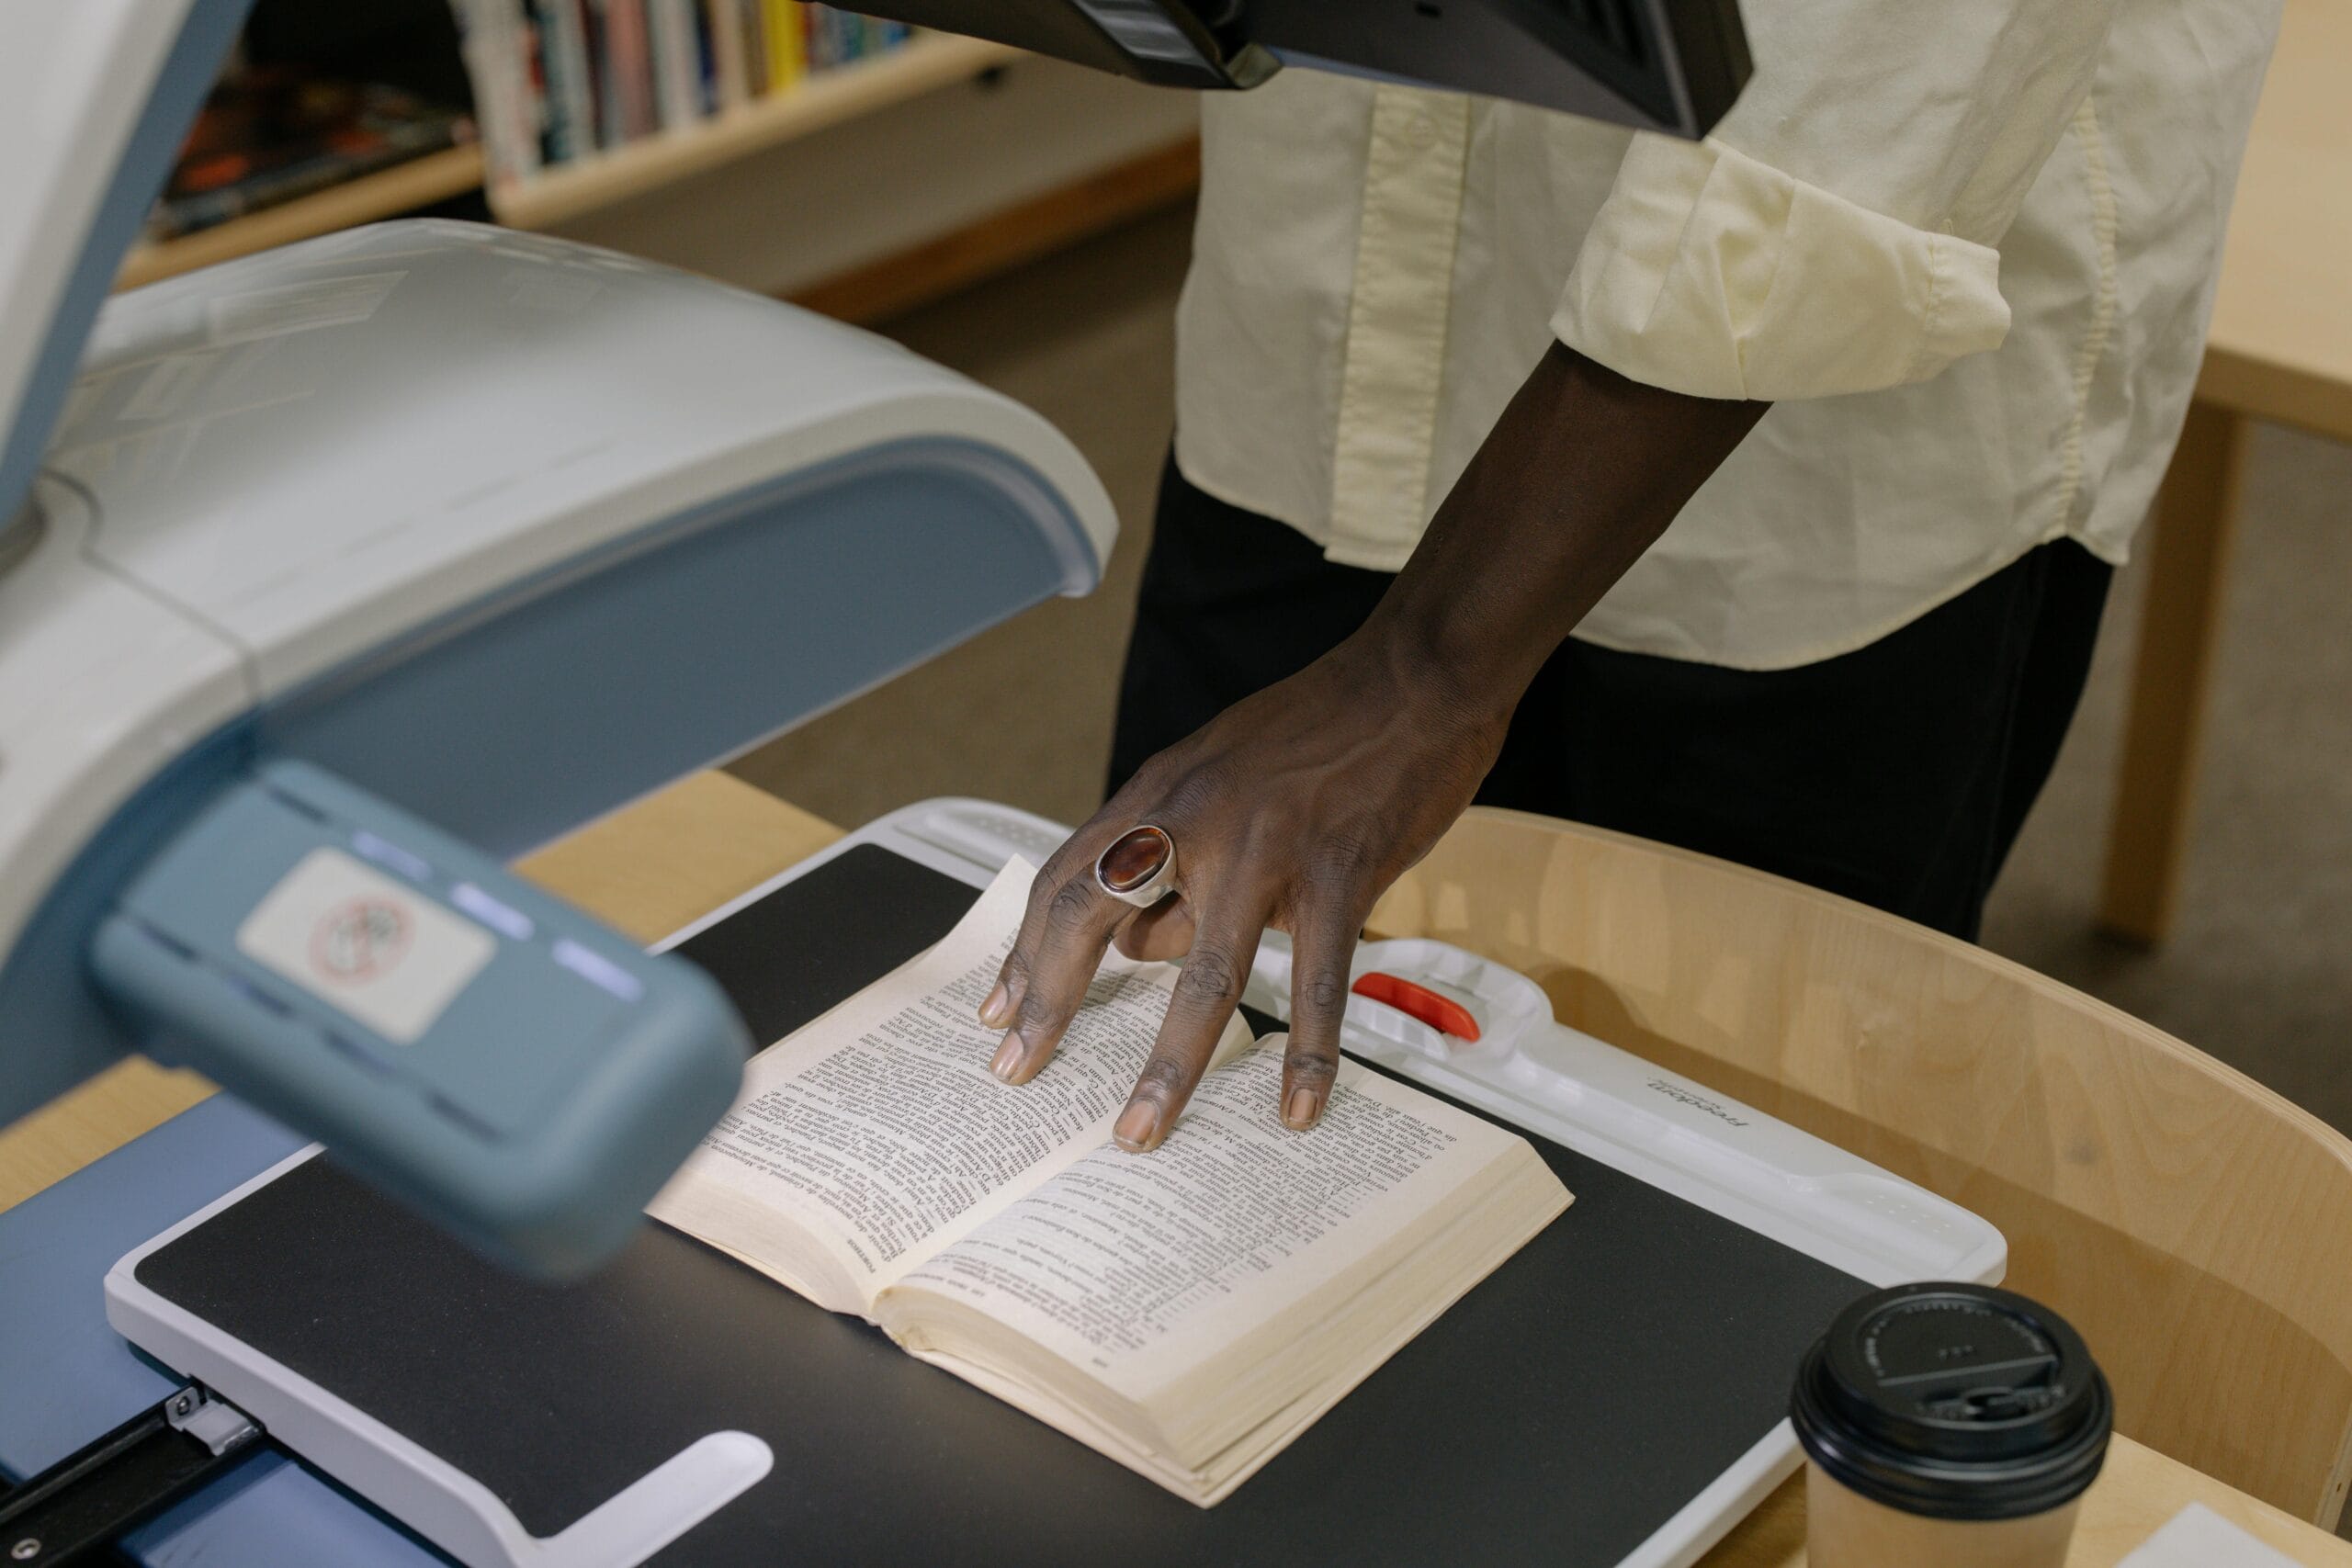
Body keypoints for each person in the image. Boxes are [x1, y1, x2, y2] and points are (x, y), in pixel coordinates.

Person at [976, 0, 2284, 1152]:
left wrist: (1424, 669)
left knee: (1721, 1174)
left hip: (1822, 422)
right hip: (1324, 323)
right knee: (1174, 1071)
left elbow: (1879, 71)